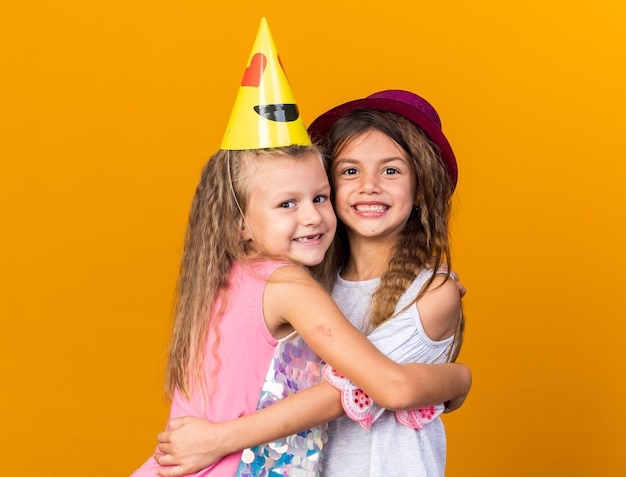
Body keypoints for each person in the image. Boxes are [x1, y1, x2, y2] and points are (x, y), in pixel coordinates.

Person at [131, 16, 471, 477]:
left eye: (391, 171)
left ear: (421, 189)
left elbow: (358, 388)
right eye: (349, 172)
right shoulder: (299, 282)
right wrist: (459, 379)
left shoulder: (430, 291)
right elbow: (383, 385)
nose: (368, 186)